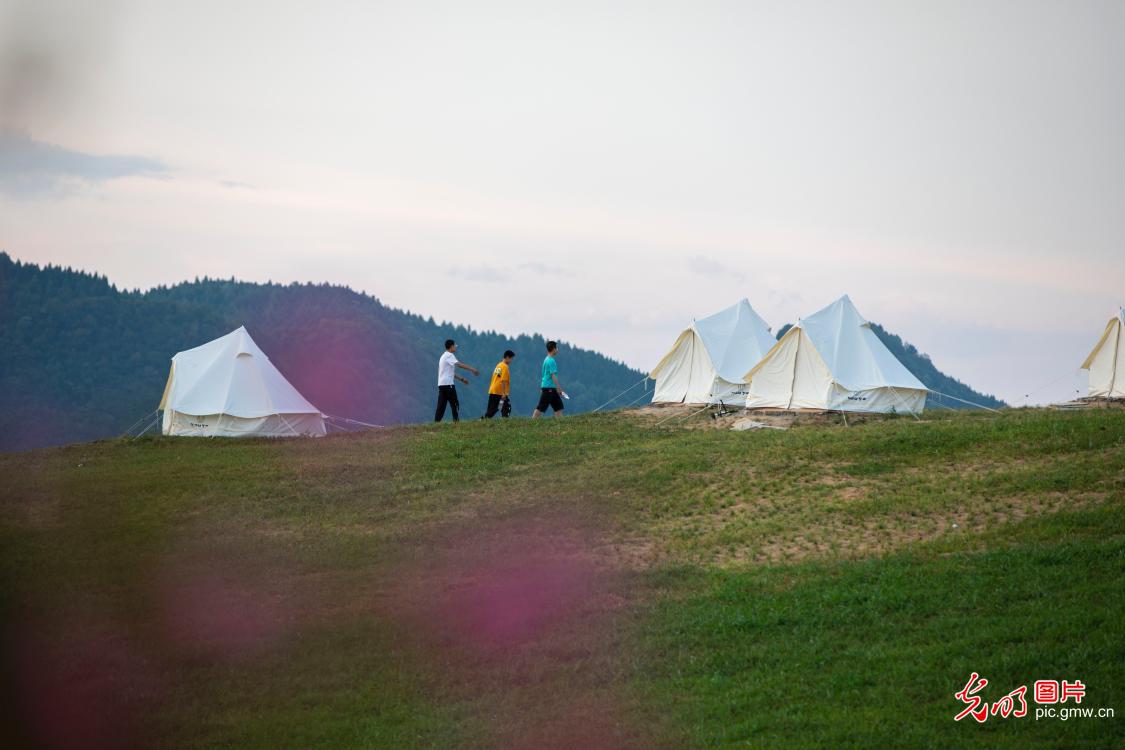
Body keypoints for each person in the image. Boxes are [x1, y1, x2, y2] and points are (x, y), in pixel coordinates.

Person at [435, 339, 478, 422]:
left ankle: (436, 423)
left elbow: (450, 373)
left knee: (441, 406)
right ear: (451, 347)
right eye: (455, 346)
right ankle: (456, 422)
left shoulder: (443, 356)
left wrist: (461, 379)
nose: (455, 347)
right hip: (448, 385)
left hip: (441, 385)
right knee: (455, 404)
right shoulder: (449, 355)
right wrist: (472, 369)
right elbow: (459, 365)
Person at [532, 340, 567, 418]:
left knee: (559, 407)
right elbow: (553, 376)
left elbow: (544, 374)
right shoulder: (551, 361)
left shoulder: (546, 359)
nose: (557, 350)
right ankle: (532, 422)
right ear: (553, 349)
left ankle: (560, 424)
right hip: (549, 388)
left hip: (550, 388)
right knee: (541, 407)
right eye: (556, 348)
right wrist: (559, 389)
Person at [483, 350, 515, 419]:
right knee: (507, 406)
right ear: (507, 357)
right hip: (499, 392)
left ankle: (483, 419)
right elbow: (503, 380)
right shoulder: (505, 367)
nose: (511, 361)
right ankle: (505, 421)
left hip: (493, 390)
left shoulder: (499, 365)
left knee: (494, 409)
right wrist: (503, 393)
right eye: (511, 359)